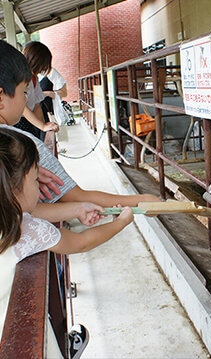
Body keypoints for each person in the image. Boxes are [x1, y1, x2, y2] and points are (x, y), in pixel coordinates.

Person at [0, 127, 134, 357]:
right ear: (14, 188)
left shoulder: (9, 217)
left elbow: (33, 212)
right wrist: (121, 222)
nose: (39, 187)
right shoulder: (24, 229)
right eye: (34, 179)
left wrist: (77, 209)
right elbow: (80, 242)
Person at [0, 39, 160, 210]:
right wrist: (141, 201)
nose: (26, 99)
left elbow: (26, 212)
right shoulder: (19, 145)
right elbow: (76, 196)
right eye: (24, 93)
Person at [14, 41, 59, 139]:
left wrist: (43, 127)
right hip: (16, 122)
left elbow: (37, 105)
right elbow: (22, 107)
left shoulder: (34, 79)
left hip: (28, 121)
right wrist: (42, 126)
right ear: (36, 61)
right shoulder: (19, 76)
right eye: (42, 65)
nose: (42, 69)